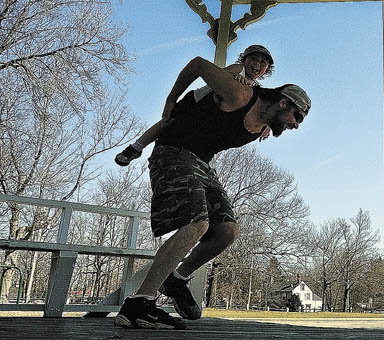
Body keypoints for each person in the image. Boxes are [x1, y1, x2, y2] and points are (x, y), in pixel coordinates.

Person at [114, 56, 310, 330]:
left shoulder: (264, 123)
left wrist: (269, 126)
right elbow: (197, 64)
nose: (296, 125)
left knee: (227, 231)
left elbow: (264, 121)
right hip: (173, 150)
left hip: (202, 163)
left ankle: (176, 279)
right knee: (197, 223)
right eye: (297, 117)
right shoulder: (241, 94)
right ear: (283, 103)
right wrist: (171, 100)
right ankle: (138, 304)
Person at [114, 44, 275, 166]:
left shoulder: (257, 90)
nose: (257, 64)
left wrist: (267, 126)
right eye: (253, 59)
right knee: (167, 121)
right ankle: (136, 147)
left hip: (209, 116)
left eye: (263, 62)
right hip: (198, 101)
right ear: (244, 60)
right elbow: (221, 75)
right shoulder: (238, 69)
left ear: (267, 69)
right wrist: (234, 77)